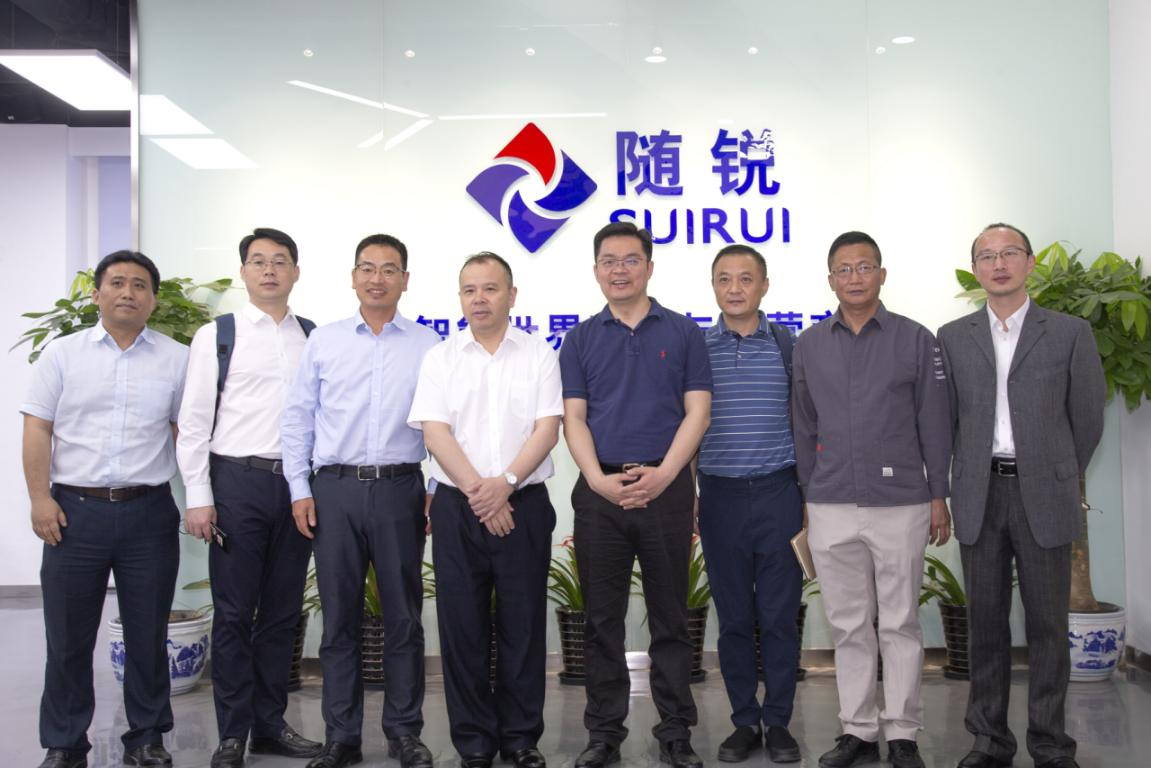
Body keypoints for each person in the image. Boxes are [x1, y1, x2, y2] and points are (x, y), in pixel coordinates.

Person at [937, 223, 1105, 768]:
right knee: (984, 624)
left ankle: (1050, 744)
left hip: (1045, 495)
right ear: (975, 270)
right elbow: (946, 419)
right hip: (979, 493)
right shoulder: (953, 336)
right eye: (986, 256)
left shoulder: (1070, 332)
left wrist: (1057, 472)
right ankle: (989, 741)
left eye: (1009, 253)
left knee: (1048, 627)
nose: (999, 263)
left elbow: (1087, 418)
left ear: (1030, 263)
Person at [791, 231, 952, 768]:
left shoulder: (915, 339)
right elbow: (803, 426)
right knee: (848, 624)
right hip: (830, 501)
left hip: (901, 501)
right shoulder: (810, 345)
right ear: (830, 279)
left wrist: (938, 494)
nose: (854, 277)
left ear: (882, 275)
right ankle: (857, 730)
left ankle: (903, 732)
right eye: (844, 269)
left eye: (864, 267)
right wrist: (808, 496)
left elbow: (935, 422)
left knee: (900, 621)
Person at [22, 251, 188, 768]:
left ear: (153, 300)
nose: (128, 293)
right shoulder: (62, 355)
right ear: (96, 294)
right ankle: (65, 743)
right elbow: (37, 428)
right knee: (67, 638)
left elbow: (186, 433)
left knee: (147, 633)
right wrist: (39, 498)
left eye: (140, 285)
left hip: (149, 513)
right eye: (117, 283)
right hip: (74, 513)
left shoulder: (177, 359)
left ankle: (147, 738)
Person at [281, 234, 441, 768]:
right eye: (367, 268)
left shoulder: (428, 345)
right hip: (335, 491)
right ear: (353, 277)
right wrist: (299, 489)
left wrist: (434, 488)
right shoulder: (324, 342)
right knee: (339, 620)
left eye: (389, 269)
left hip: (400, 489)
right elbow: (298, 418)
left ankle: (404, 732)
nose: (377, 278)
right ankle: (341, 736)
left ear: (405, 280)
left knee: (404, 618)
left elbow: (444, 423)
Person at [559, 221, 712, 768]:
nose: (619, 270)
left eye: (630, 260)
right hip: (600, 492)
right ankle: (604, 733)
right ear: (595, 270)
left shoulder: (684, 332)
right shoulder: (580, 339)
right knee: (602, 621)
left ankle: (675, 732)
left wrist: (666, 475)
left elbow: (698, 411)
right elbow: (574, 419)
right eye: (609, 261)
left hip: (666, 488)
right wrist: (597, 480)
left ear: (649, 267)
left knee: (671, 617)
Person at [408, 252, 561, 768]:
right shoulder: (440, 358)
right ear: (460, 298)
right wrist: (483, 493)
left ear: (511, 295)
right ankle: (473, 741)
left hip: (524, 505)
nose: (479, 299)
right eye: (469, 289)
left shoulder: (539, 354)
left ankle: (520, 739)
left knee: (523, 626)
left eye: (490, 288)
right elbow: (435, 433)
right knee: (462, 628)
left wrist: (507, 483)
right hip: (459, 507)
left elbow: (547, 428)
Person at [177, 228, 321, 767]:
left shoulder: (312, 336)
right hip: (237, 483)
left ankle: (270, 726)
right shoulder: (218, 335)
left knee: (282, 612)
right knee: (235, 613)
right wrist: (199, 496)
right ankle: (233, 733)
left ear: (296, 272)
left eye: (279, 261)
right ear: (243, 272)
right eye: (258, 261)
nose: (269, 270)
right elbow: (194, 422)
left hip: (297, 488)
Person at [696, 244, 802, 764]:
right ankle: (743, 721)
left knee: (780, 616)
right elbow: (683, 426)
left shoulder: (788, 345)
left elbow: (808, 422)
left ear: (764, 285)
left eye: (745, 278)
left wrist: (809, 496)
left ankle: (778, 722)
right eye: (724, 279)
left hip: (780, 493)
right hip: (719, 496)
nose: (734, 288)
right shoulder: (697, 348)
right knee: (734, 617)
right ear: (713, 287)